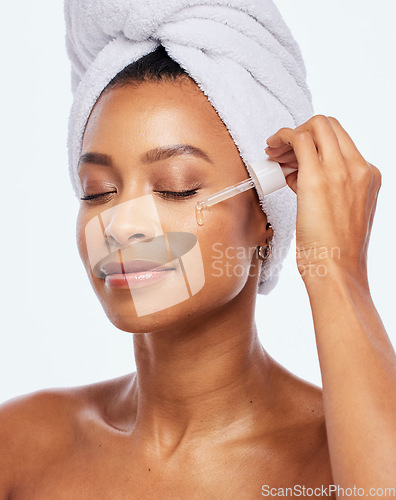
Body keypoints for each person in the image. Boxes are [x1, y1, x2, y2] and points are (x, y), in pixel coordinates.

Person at [0, 3, 395, 499]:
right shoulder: (21, 444)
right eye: (97, 191)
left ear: (266, 215)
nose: (121, 226)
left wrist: (337, 271)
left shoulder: (338, 462)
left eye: (176, 188)